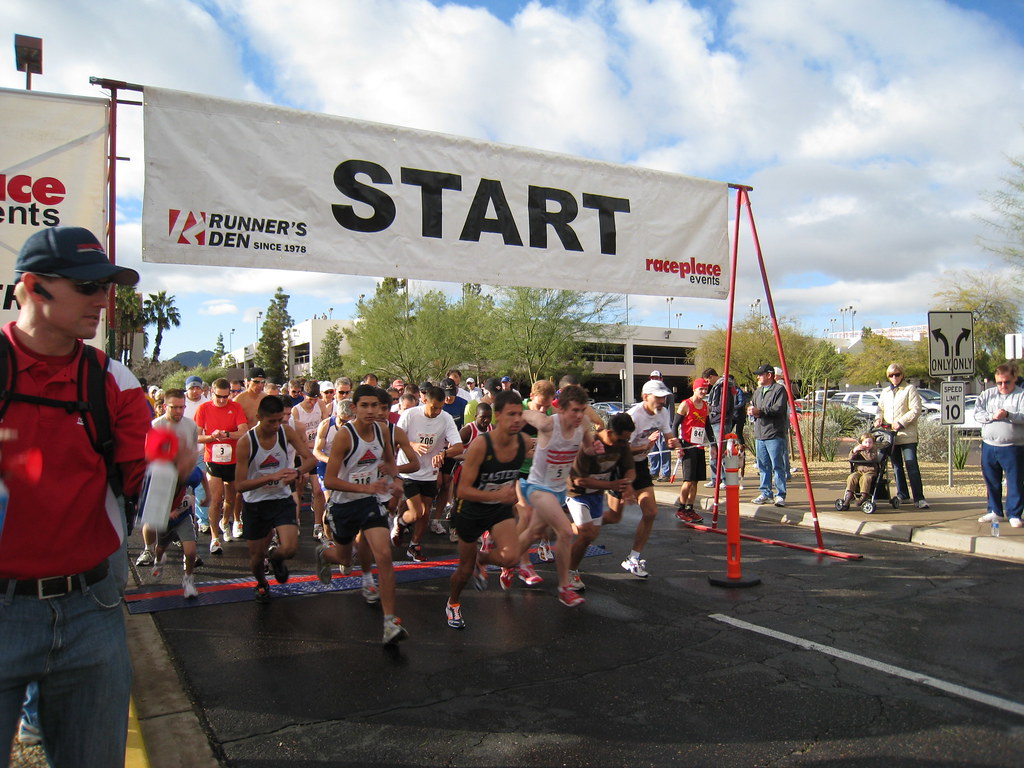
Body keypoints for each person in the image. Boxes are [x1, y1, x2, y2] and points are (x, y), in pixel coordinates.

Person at [0, 226, 155, 766]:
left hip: (92, 610)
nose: (102, 300)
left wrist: (170, 475)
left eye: (106, 287)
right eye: (87, 287)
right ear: (32, 287)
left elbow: (142, 483)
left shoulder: (115, 380)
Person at [317, 384, 414, 644]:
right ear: (354, 408)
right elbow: (330, 480)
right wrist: (365, 487)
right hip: (343, 505)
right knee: (344, 558)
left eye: (375, 406)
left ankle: (390, 622)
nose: (371, 411)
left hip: (369, 503)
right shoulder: (345, 436)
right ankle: (324, 554)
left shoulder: (383, 432)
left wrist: (396, 480)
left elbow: (390, 463)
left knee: (384, 556)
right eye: (365, 406)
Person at [445, 391, 527, 628]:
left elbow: (512, 474)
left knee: (511, 557)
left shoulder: (522, 442)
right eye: (511, 415)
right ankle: (453, 603)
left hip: (498, 509)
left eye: (520, 414)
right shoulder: (482, 445)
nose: (517, 420)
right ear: (497, 416)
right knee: (464, 569)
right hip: (470, 510)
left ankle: (481, 558)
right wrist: (498, 494)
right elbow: (462, 490)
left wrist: (515, 496)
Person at [519, 384, 601, 606]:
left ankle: (504, 561)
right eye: (574, 410)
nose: (579, 415)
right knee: (565, 532)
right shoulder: (547, 424)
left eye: (582, 410)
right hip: (537, 487)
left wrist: (595, 449)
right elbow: (522, 413)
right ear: (561, 409)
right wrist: (519, 417)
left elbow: (588, 448)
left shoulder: (583, 425)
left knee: (534, 532)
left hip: (557, 490)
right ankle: (565, 588)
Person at [235, 395, 317, 602]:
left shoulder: (285, 432)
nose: (276, 426)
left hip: (281, 499)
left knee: (289, 548)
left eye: (280, 420)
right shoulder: (246, 443)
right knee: (256, 557)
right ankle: (262, 583)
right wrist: (270, 477)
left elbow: (311, 459)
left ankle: (276, 559)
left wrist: (297, 472)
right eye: (271, 421)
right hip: (255, 503)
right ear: (259, 418)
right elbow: (240, 485)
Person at [612, 378, 681, 578]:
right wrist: (644, 446)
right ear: (645, 397)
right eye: (658, 397)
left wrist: (674, 444)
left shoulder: (663, 412)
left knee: (650, 512)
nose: (662, 401)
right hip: (623, 465)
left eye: (664, 398)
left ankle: (633, 558)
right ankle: (578, 531)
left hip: (641, 464)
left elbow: (668, 436)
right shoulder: (633, 417)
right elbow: (621, 450)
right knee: (612, 517)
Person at [565, 413, 636, 592]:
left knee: (591, 534)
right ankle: (570, 572)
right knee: (587, 533)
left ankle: (563, 532)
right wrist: (611, 485)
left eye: (627, 440)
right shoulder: (589, 444)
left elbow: (630, 469)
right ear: (610, 432)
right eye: (621, 439)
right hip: (576, 493)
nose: (624, 443)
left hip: (596, 494)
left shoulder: (622, 445)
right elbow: (580, 480)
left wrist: (627, 484)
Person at [393, 386, 463, 561]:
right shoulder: (410, 415)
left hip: (429, 472)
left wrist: (443, 454)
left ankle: (414, 545)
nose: (437, 411)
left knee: (425, 513)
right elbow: (396, 440)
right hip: (409, 470)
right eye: (434, 407)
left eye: (441, 407)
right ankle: (401, 522)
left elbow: (458, 447)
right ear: (424, 400)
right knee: (416, 512)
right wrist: (413, 445)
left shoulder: (445, 418)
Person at [194, 378, 249, 552]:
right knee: (216, 499)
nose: (223, 400)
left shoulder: (235, 407)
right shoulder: (203, 409)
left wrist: (227, 434)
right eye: (219, 396)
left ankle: (225, 522)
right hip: (213, 459)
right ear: (212, 393)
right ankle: (214, 538)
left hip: (233, 459)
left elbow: (244, 431)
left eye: (226, 396)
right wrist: (212, 437)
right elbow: (196, 436)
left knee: (231, 499)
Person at [874, 364, 929, 509]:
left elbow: (916, 409)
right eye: (891, 375)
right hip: (891, 436)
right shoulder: (885, 392)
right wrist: (878, 419)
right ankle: (903, 494)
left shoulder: (909, 389)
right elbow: (880, 409)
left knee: (911, 465)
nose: (894, 378)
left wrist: (901, 422)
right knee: (896, 466)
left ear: (902, 375)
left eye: (897, 374)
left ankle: (919, 498)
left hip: (907, 435)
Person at [976, 364, 1024, 527]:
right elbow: (978, 413)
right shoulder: (987, 395)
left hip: (1013, 446)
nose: (1003, 386)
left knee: (1015, 481)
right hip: (989, 444)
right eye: (999, 382)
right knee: (991, 480)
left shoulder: (1021, 395)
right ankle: (994, 510)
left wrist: (1008, 415)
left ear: (1014, 378)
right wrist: (992, 416)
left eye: (1007, 382)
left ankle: (1014, 514)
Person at [290, 380, 329, 540]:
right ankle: (295, 521)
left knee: (318, 490)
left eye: (315, 399)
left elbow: (326, 426)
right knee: (298, 489)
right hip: (302, 453)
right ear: (303, 395)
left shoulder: (321, 405)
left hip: (316, 452)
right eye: (310, 399)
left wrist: (318, 445)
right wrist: (303, 460)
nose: (313, 403)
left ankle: (317, 525)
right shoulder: (296, 411)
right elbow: (297, 440)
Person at [748, 364, 789, 507]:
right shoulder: (758, 391)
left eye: (760, 374)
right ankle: (765, 493)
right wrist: (751, 411)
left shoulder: (779, 390)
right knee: (763, 466)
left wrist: (760, 411)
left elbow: (778, 409)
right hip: (760, 434)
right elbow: (753, 406)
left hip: (774, 433)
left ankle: (780, 494)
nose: (758, 377)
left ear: (769, 375)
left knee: (777, 465)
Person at [673, 377, 709, 523]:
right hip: (688, 446)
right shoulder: (685, 405)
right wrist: (678, 446)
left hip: (699, 446)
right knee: (688, 480)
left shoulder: (705, 405)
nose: (704, 392)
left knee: (695, 481)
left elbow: (707, 427)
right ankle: (681, 509)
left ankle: (690, 508)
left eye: (706, 389)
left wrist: (713, 446)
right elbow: (675, 425)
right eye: (701, 389)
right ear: (694, 389)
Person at [645, 370, 675, 483]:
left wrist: (669, 426)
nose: (654, 379)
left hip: (662, 426)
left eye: (656, 378)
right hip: (651, 427)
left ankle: (665, 473)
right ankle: (654, 471)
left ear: (661, 379)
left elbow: (670, 410)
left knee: (664, 450)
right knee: (653, 450)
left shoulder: (667, 393)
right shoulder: (648, 392)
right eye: (652, 378)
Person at [838, 432, 880, 510]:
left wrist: (866, 451)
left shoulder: (874, 451)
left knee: (866, 478)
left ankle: (864, 495)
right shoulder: (858, 449)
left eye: (870, 442)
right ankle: (849, 495)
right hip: (859, 470)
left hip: (870, 471)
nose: (868, 444)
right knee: (852, 477)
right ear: (861, 443)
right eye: (866, 442)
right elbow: (850, 458)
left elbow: (871, 458)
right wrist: (854, 451)